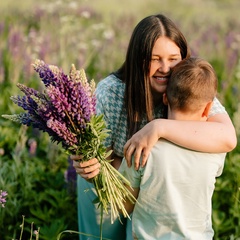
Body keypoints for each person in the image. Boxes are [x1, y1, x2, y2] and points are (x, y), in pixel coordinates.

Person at [71, 14, 237, 240]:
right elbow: (103, 158)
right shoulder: (112, 92)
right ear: (137, 59)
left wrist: (158, 127)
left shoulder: (186, 87)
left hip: (148, 185)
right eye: (155, 58)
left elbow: (227, 137)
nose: (166, 68)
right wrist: (90, 165)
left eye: (173, 58)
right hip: (110, 179)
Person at [119, 57, 227, 239]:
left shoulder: (143, 149)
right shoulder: (216, 150)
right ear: (208, 108)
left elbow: (123, 205)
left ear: (165, 99)